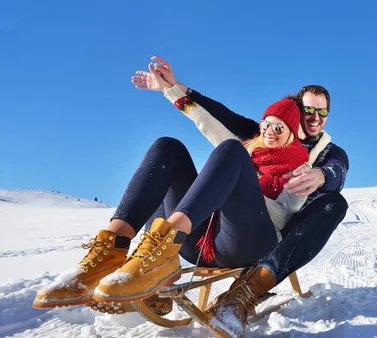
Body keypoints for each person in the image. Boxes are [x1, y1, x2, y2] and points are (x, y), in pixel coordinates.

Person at [32, 71, 311, 320]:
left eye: (278, 127)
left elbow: (283, 217)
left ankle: (166, 243)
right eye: (265, 124)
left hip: (253, 244)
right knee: (168, 147)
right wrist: (170, 89)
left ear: (292, 132)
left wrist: (238, 185)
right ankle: (113, 248)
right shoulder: (249, 149)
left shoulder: (300, 168)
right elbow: (205, 121)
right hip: (203, 242)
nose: (269, 132)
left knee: (231, 151)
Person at [138, 57, 350, 337]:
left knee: (333, 203)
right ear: (295, 111)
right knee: (173, 163)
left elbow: (338, 169)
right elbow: (220, 116)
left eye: (322, 112)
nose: (315, 117)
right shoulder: (261, 136)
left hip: (272, 234)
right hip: (227, 224)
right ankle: (149, 265)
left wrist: (321, 176)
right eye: (308, 109)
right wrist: (175, 87)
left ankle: (249, 290)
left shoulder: (327, 153)